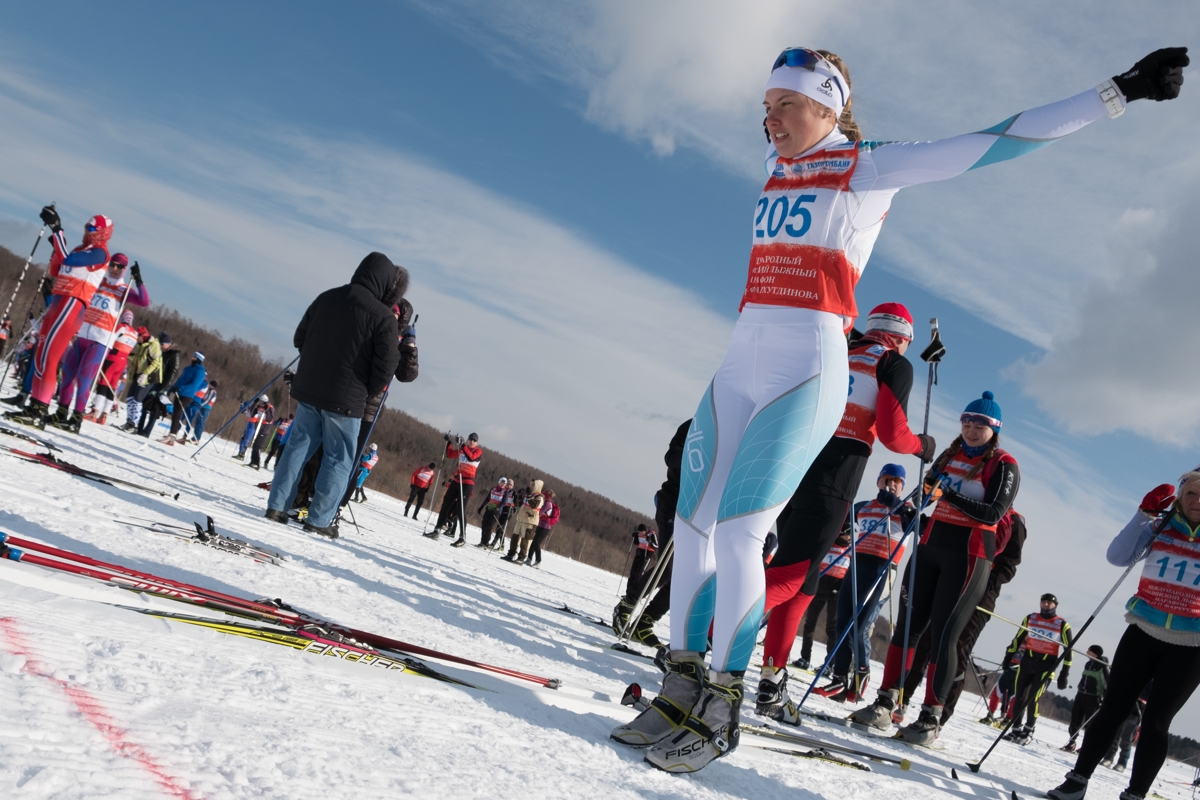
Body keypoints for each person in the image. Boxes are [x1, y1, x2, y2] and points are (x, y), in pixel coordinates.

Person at [612, 46, 1188, 773]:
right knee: (692, 526)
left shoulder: (867, 165)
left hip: (806, 363)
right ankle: (680, 685)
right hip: (740, 357)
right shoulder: (777, 167)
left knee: (738, 532)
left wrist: (1119, 91)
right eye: (766, 106)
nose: (771, 118)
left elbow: (996, 141)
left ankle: (724, 703)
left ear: (828, 106)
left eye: (786, 105)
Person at [758, 305, 935, 719]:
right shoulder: (892, 362)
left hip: (796, 464)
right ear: (901, 337)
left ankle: (771, 679)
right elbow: (894, 434)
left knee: (804, 584)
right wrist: (922, 446)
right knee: (792, 576)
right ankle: (704, 638)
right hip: (835, 476)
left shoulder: (841, 347)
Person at [850, 392, 1019, 745]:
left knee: (944, 637)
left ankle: (930, 716)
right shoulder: (949, 455)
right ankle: (886, 702)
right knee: (906, 628)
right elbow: (926, 500)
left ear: (994, 429)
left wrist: (948, 495)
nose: (971, 431)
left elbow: (993, 513)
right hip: (930, 547)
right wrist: (910, 506)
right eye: (967, 423)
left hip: (969, 555)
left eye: (980, 426)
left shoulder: (1004, 463)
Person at [1046, 470, 1200, 800]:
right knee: (1113, 707)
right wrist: (1143, 515)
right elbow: (1117, 557)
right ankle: (1077, 780)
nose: (1197, 501)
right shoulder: (1161, 526)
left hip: (1191, 645)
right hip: (1143, 630)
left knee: (1157, 723)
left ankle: (1135, 795)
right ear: (1180, 495)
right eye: (1191, 493)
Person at [264, 252, 405, 539]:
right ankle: (319, 519)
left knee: (297, 448)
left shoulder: (326, 297)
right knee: (339, 459)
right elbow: (387, 366)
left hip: (311, 390)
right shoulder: (382, 317)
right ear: (385, 284)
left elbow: (299, 339)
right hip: (347, 400)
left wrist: (316, 364)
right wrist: (368, 389)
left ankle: (277, 506)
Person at [899, 508, 1028, 726]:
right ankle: (901, 700)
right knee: (926, 643)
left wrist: (983, 582)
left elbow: (1009, 566)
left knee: (956, 651)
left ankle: (938, 718)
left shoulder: (1014, 521)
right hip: (953, 585)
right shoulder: (973, 508)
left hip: (980, 596)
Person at [815, 464, 918, 704]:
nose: (891, 483)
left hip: (883, 569)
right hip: (857, 565)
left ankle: (861, 677)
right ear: (878, 481)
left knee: (859, 627)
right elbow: (843, 525)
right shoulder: (864, 506)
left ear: (903, 486)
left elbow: (915, 526)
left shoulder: (906, 508)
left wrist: (893, 502)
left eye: (897, 481)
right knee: (841, 622)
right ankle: (839, 678)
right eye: (887, 479)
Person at [5, 210, 113, 428]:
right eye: (86, 227)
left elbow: (69, 259)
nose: (87, 231)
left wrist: (58, 231)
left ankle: (40, 409)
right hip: (58, 301)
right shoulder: (80, 248)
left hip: (73, 304)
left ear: (102, 233)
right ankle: (34, 406)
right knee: (39, 357)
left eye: (92, 229)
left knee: (50, 358)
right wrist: (56, 245)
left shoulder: (100, 253)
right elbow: (58, 267)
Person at [51, 255, 150, 432]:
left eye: (120, 266)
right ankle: (61, 412)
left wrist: (139, 280)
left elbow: (144, 302)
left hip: (100, 341)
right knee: (66, 375)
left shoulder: (123, 289)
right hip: (82, 336)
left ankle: (76, 419)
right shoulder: (97, 280)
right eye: (112, 264)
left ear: (124, 270)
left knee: (83, 379)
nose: (115, 268)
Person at [613, 420, 690, 644]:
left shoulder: (731, 433)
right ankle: (627, 605)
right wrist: (701, 460)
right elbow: (672, 457)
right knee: (668, 566)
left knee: (684, 575)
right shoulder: (695, 425)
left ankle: (644, 623)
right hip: (674, 504)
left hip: (701, 513)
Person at [1000, 593, 1073, 745]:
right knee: (1019, 696)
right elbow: (1018, 639)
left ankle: (1029, 729)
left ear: (1055, 605)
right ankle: (1016, 729)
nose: (1046, 604)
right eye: (1044, 602)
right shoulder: (1030, 618)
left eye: (1049, 603)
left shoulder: (1062, 624)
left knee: (1033, 699)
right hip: (1027, 662)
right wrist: (1008, 657)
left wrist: (1064, 674)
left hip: (1046, 666)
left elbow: (1068, 651)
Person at [792, 527, 849, 672]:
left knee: (832, 628)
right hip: (820, 588)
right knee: (810, 623)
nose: (849, 538)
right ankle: (805, 658)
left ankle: (830, 664)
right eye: (847, 534)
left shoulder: (851, 551)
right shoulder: (829, 545)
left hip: (837, 591)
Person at [428, 433, 483, 543]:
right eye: (470, 439)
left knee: (460, 508)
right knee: (445, 504)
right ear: (467, 440)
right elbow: (449, 454)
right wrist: (449, 442)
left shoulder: (477, 451)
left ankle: (462, 537)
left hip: (467, 482)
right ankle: (437, 529)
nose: (472, 441)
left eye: (474, 440)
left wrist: (462, 445)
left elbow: (471, 458)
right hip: (457, 480)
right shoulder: (462, 449)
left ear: (476, 443)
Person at [86, 310, 138, 426]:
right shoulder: (134, 333)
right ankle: (104, 414)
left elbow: (109, 338)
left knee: (103, 384)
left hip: (113, 357)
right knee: (112, 386)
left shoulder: (121, 327)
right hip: (123, 361)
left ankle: (94, 412)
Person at [1063, 645, 1110, 753]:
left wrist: (1104, 698)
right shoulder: (1088, 664)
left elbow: (1107, 684)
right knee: (1075, 719)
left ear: (1095, 653)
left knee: (1090, 724)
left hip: (1093, 698)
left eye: (1089, 650)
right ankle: (1072, 742)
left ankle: (1086, 746)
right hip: (1081, 695)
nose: (1087, 652)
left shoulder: (1102, 666)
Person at [159, 352, 207, 445]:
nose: (192, 357)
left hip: (187, 395)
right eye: (192, 356)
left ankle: (172, 436)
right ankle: (171, 435)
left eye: (194, 357)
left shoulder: (200, 371)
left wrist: (180, 388)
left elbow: (194, 385)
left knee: (177, 413)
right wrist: (172, 388)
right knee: (175, 414)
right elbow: (180, 380)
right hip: (178, 393)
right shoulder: (187, 368)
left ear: (198, 359)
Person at [120, 328, 162, 432]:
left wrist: (145, 373)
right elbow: (138, 359)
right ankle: (129, 421)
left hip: (148, 377)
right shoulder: (142, 346)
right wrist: (126, 354)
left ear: (142, 336)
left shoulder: (153, 345)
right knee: (130, 397)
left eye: (137, 337)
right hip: (138, 374)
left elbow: (156, 362)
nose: (136, 339)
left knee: (137, 399)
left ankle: (134, 424)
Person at [138, 332, 178, 437]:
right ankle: (139, 428)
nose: (161, 346)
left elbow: (173, 372)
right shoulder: (162, 351)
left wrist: (164, 387)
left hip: (163, 384)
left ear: (168, 344)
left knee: (156, 408)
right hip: (155, 380)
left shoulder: (175, 354)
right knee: (146, 402)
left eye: (163, 344)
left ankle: (147, 431)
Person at [503, 479, 543, 563]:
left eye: (533, 485)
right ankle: (511, 554)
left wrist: (529, 496)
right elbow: (519, 504)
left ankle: (521, 557)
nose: (531, 486)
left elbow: (533, 505)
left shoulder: (539, 497)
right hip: (521, 519)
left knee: (525, 541)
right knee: (515, 538)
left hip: (530, 521)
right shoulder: (528, 494)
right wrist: (519, 497)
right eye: (530, 484)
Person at [235, 395, 274, 461]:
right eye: (259, 402)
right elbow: (247, 412)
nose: (260, 404)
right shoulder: (255, 406)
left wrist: (266, 410)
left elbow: (269, 418)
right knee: (243, 438)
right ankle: (240, 453)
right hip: (251, 423)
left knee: (248, 440)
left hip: (256, 425)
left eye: (261, 403)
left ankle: (243, 454)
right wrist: (244, 404)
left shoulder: (269, 407)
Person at [527, 489, 560, 566]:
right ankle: (529, 559)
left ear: (546, 496)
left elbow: (539, 512)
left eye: (544, 494)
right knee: (534, 542)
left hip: (545, 527)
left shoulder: (548, 504)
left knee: (537, 544)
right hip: (540, 525)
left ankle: (538, 561)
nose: (542, 496)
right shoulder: (547, 503)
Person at [476, 478, 511, 546]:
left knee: (489, 526)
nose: (502, 484)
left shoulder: (505, 492)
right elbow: (488, 498)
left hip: (496, 511)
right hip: (489, 509)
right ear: (499, 482)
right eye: (502, 482)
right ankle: (482, 541)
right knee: (484, 525)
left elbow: (504, 502)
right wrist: (481, 507)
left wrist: (498, 508)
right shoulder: (493, 489)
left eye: (504, 483)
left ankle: (486, 542)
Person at [490, 479, 518, 549]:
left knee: (501, 527)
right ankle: (501, 545)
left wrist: (516, 497)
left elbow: (516, 503)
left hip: (509, 511)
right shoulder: (504, 491)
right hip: (502, 510)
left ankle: (494, 543)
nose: (509, 486)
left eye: (510, 485)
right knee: (500, 528)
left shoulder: (513, 492)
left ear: (512, 486)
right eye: (508, 484)